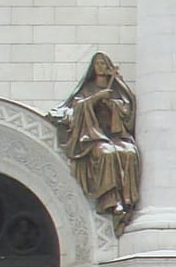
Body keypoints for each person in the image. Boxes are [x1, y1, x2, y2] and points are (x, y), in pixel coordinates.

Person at [45, 52, 139, 233]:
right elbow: (76, 108)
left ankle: (127, 202)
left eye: (104, 63)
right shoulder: (87, 89)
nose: (101, 66)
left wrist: (113, 102)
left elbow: (127, 112)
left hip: (115, 136)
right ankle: (111, 200)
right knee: (106, 153)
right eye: (98, 63)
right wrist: (96, 99)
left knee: (129, 153)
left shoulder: (117, 90)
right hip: (93, 137)